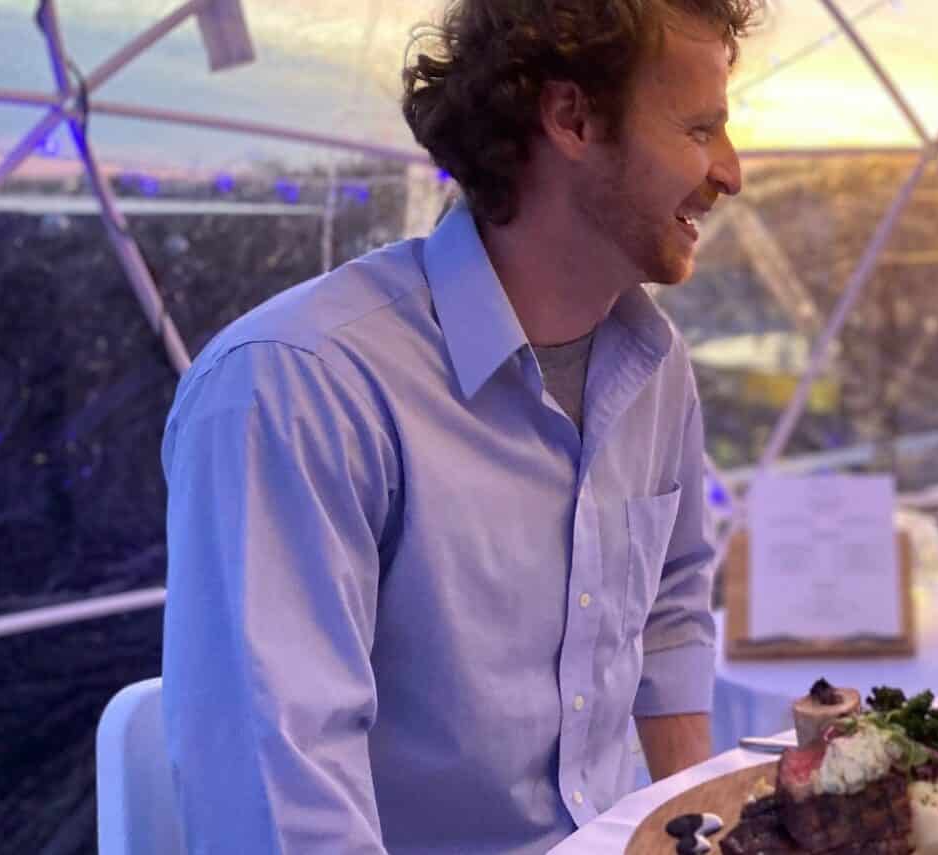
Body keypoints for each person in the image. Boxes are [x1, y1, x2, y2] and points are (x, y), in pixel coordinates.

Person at [160, 1, 761, 851]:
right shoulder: (300, 388)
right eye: (701, 129)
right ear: (572, 118)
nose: (730, 172)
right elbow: (277, 809)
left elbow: (669, 614)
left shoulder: (654, 368)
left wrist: (700, 833)